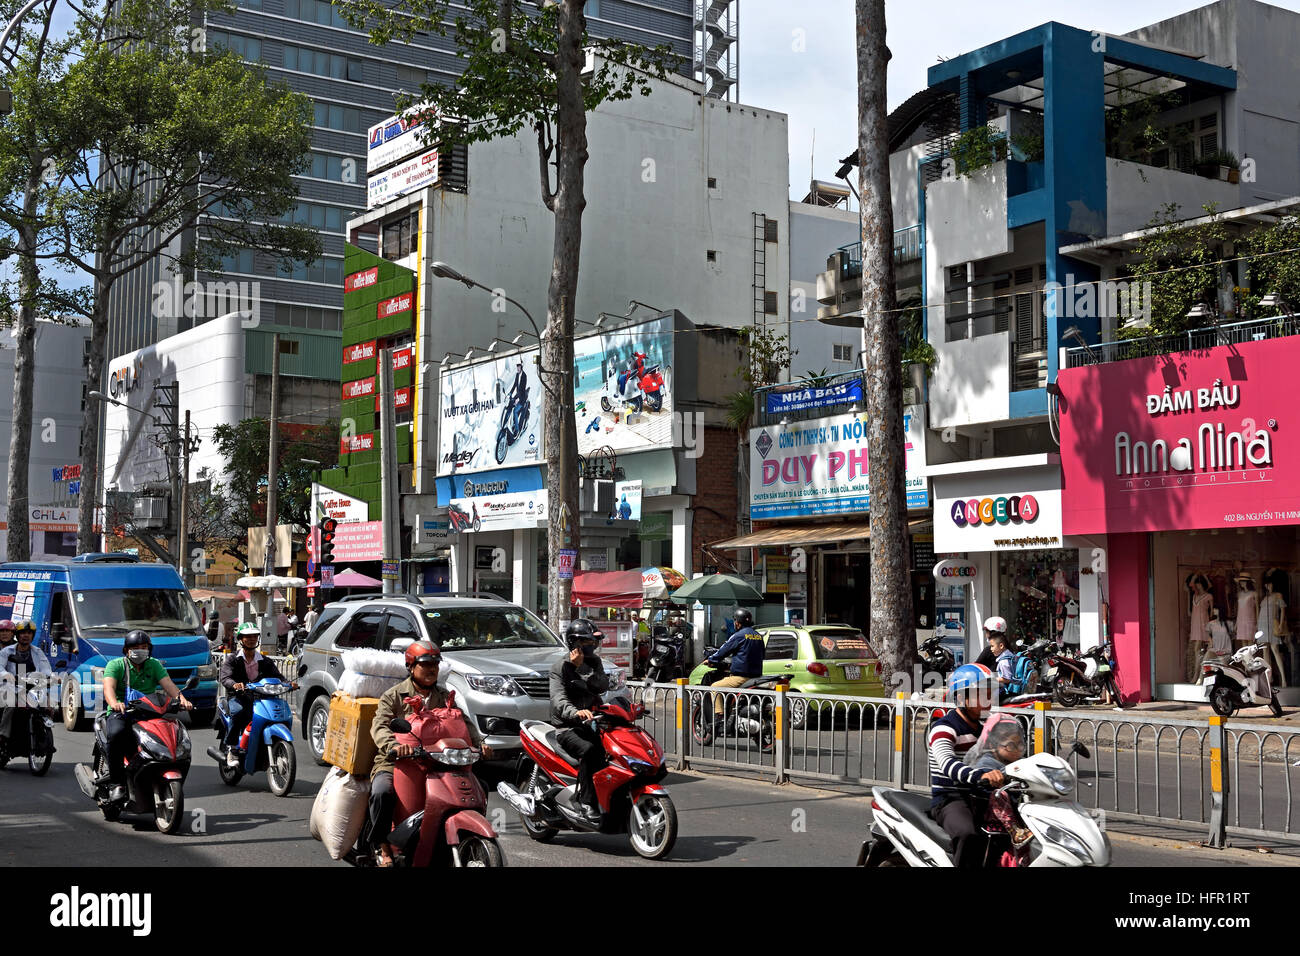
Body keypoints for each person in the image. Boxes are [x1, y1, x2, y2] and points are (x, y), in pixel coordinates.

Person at [369, 642, 488, 867]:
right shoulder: (394, 696)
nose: (431, 669)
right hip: (398, 761)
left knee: (479, 786)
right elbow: (379, 725)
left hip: (438, 763)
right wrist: (393, 745)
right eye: (425, 664)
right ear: (411, 666)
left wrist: (480, 743)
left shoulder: (444, 695)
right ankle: (381, 844)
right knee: (382, 792)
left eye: (435, 664)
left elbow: (464, 721)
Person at [101, 631, 193, 802]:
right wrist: (115, 703)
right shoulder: (115, 665)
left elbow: (168, 685)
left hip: (149, 711)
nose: (140, 650)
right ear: (126, 650)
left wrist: (183, 700)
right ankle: (116, 783)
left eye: (144, 647)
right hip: (122, 712)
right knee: (116, 734)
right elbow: (109, 688)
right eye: (135, 648)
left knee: (172, 732)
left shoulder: (154, 664)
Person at [927, 664, 1003, 869]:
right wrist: (980, 776)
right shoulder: (944, 728)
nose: (987, 698)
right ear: (961, 698)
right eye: (980, 693)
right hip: (950, 799)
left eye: (989, 692)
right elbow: (948, 765)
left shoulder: (985, 729)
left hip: (982, 798)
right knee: (967, 834)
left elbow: (1000, 759)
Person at [548, 620, 610, 824]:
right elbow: (559, 701)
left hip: (591, 723)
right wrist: (576, 713)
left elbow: (601, 686)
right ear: (575, 643)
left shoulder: (595, 662)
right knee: (591, 751)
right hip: (567, 727)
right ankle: (586, 802)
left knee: (614, 752)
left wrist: (582, 667)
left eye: (593, 641)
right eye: (587, 641)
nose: (592, 645)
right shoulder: (559, 668)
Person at [218, 622, 293, 766]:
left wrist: (289, 683)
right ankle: (233, 750)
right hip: (238, 697)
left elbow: (279, 677)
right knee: (239, 712)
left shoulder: (265, 661)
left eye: (254, 636)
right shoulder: (233, 659)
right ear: (241, 639)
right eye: (248, 636)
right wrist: (235, 685)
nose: (252, 639)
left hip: (261, 698)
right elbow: (225, 677)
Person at [0, 620, 53, 756]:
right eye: (23, 633)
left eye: (29, 633)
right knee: (11, 704)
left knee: (48, 704)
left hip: (31, 686)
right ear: (17, 635)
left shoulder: (37, 652)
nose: (26, 636)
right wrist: (6, 674)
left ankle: (43, 738)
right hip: (9, 687)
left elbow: (46, 669)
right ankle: (3, 735)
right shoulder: (7, 651)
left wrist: (51, 678)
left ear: (32, 635)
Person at [702, 607, 765, 720]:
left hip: (741, 677)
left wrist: (711, 660)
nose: (735, 623)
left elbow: (724, 650)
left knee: (715, 687)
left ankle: (719, 716)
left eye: (735, 621)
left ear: (738, 623)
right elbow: (761, 655)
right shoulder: (758, 636)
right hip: (756, 676)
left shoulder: (739, 636)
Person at [990, 632, 1016, 697]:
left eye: (992, 646)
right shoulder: (1010, 655)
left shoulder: (1003, 661)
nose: (991, 649)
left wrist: (993, 679)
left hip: (1006, 692)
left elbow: (1007, 679)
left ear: (1001, 646)